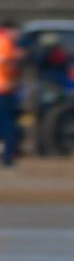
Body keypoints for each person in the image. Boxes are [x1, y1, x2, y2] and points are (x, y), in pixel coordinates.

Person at [0, 20, 20, 169]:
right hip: (4, 90)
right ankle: (7, 159)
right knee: (8, 127)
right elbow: (5, 61)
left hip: (5, 90)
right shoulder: (5, 42)